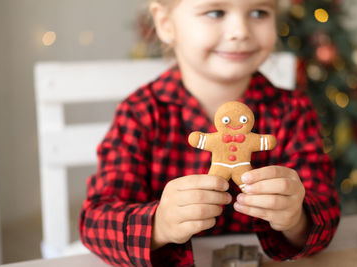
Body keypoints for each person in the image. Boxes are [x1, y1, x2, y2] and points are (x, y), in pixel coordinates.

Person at [79, 0, 341, 266]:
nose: (240, 31)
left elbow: (327, 211)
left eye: (259, 12)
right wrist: (160, 225)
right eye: (215, 12)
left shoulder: (293, 111)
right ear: (165, 23)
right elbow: (95, 220)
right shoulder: (139, 114)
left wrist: (296, 218)